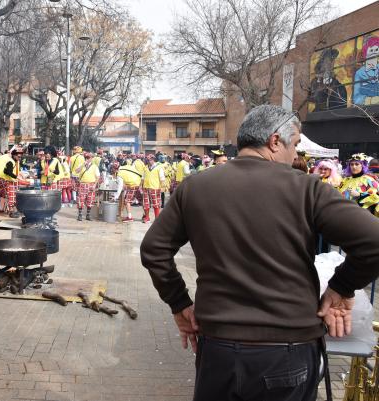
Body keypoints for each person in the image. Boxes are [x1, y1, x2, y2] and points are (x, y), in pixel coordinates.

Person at [140, 104, 379, 401]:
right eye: (295, 145)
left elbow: (153, 249)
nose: (296, 155)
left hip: (218, 348)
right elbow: (373, 241)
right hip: (288, 351)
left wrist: (179, 303)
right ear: (275, 141)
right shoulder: (307, 189)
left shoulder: (196, 187)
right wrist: (341, 287)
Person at [0, 148, 23, 218]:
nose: (19, 158)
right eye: (18, 156)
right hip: (1, 178)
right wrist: (17, 177)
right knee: (9, 194)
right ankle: (11, 212)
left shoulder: (0, 157)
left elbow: (3, 169)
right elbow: (8, 172)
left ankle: (0, 208)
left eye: (20, 157)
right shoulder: (10, 160)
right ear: (13, 155)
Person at [141, 154, 166, 223]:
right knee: (146, 203)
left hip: (155, 188)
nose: (149, 161)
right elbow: (142, 178)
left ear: (153, 160)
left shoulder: (159, 167)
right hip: (146, 187)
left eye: (150, 159)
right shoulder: (145, 167)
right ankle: (147, 217)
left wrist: (163, 187)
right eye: (148, 160)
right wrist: (141, 186)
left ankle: (157, 219)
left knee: (156, 203)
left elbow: (162, 178)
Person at [77, 153, 100, 221]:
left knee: (90, 200)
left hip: (91, 184)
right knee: (81, 200)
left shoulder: (94, 166)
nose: (87, 159)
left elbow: (98, 176)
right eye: (86, 158)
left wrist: (95, 185)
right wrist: (83, 165)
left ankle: (88, 215)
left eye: (89, 158)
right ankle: (80, 215)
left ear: (91, 158)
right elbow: (76, 171)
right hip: (83, 184)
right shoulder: (81, 165)